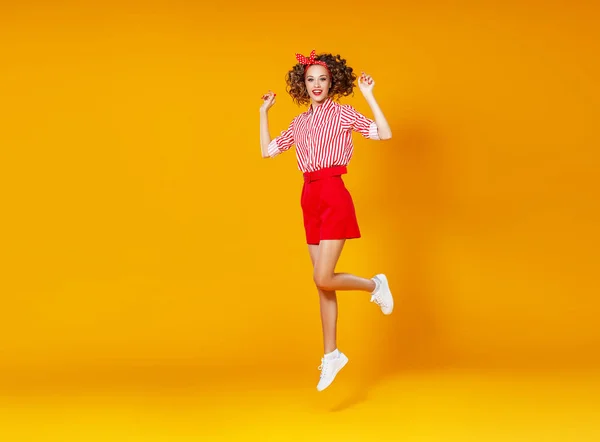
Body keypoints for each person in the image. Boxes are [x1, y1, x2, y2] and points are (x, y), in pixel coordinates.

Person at [259, 50, 394, 392]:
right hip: (309, 197)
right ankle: (331, 354)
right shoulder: (299, 123)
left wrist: (369, 96)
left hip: (333, 192)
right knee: (322, 283)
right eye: (310, 79)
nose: (316, 85)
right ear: (302, 85)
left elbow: (383, 133)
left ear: (332, 81)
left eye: (322, 78)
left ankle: (374, 285)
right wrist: (263, 113)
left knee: (323, 274)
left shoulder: (344, 113)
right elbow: (267, 151)